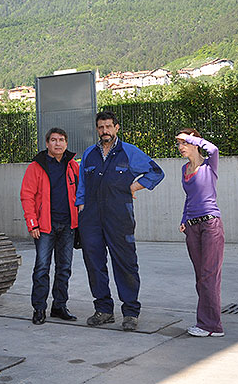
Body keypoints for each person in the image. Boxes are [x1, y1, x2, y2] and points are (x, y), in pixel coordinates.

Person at [77, 110, 164, 331]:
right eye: (101, 127)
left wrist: (134, 186)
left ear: (116, 128)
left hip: (119, 217)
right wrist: (81, 207)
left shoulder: (129, 152)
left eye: (108, 126)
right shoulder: (89, 154)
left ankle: (131, 312)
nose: (104, 131)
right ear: (97, 129)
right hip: (91, 218)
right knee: (94, 264)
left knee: (125, 263)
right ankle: (104, 310)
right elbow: (82, 185)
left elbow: (156, 172)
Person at [20, 127, 80, 325]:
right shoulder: (36, 166)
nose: (57, 143)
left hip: (68, 226)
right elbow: (27, 196)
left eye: (61, 140)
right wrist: (32, 223)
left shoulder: (73, 166)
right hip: (45, 227)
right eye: (53, 140)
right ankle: (39, 308)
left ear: (66, 143)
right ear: (47, 143)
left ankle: (59, 306)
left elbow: (81, 192)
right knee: (42, 268)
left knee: (64, 268)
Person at [176, 128, 225, 337]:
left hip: (210, 224)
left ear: (195, 143)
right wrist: (184, 219)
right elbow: (189, 197)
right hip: (192, 226)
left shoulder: (209, 165)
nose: (181, 147)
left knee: (209, 275)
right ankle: (207, 322)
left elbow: (213, 149)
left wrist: (190, 137)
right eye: (179, 143)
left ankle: (211, 326)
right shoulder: (184, 169)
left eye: (184, 143)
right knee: (201, 277)